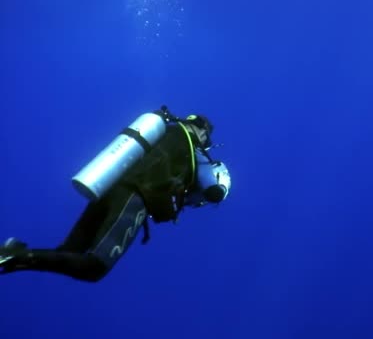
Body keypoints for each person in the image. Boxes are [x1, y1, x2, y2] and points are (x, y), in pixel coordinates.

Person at [0, 105, 232, 282]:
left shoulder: (164, 132)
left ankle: (14, 254)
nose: (205, 143)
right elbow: (212, 191)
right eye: (206, 139)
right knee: (95, 267)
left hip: (109, 187)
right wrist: (216, 186)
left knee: (69, 251)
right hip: (135, 199)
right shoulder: (191, 149)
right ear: (201, 131)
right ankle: (17, 255)